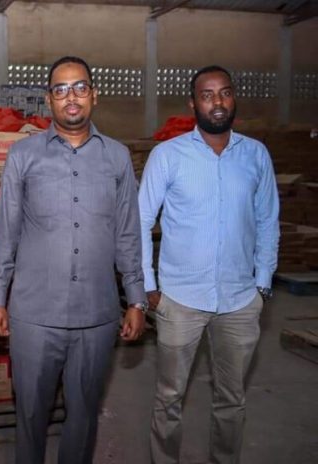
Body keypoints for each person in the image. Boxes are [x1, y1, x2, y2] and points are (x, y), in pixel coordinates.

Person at [0, 56, 148, 464]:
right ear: (49, 100)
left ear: (94, 94)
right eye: (60, 89)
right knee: (31, 415)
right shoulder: (24, 155)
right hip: (34, 315)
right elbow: (6, 232)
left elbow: (128, 232)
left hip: (97, 314)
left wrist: (136, 298)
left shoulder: (117, 157)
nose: (70, 97)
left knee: (84, 415)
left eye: (79, 87)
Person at [139, 65, 280, 464]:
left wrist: (262, 283)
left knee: (232, 399)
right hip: (180, 300)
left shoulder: (255, 155)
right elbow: (140, 221)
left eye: (224, 93)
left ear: (233, 98)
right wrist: (148, 285)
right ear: (193, 103)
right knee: (169, 397)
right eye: (207, 95)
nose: (217, 102)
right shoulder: (168, 156)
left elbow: (268, 220)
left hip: (239, 300)